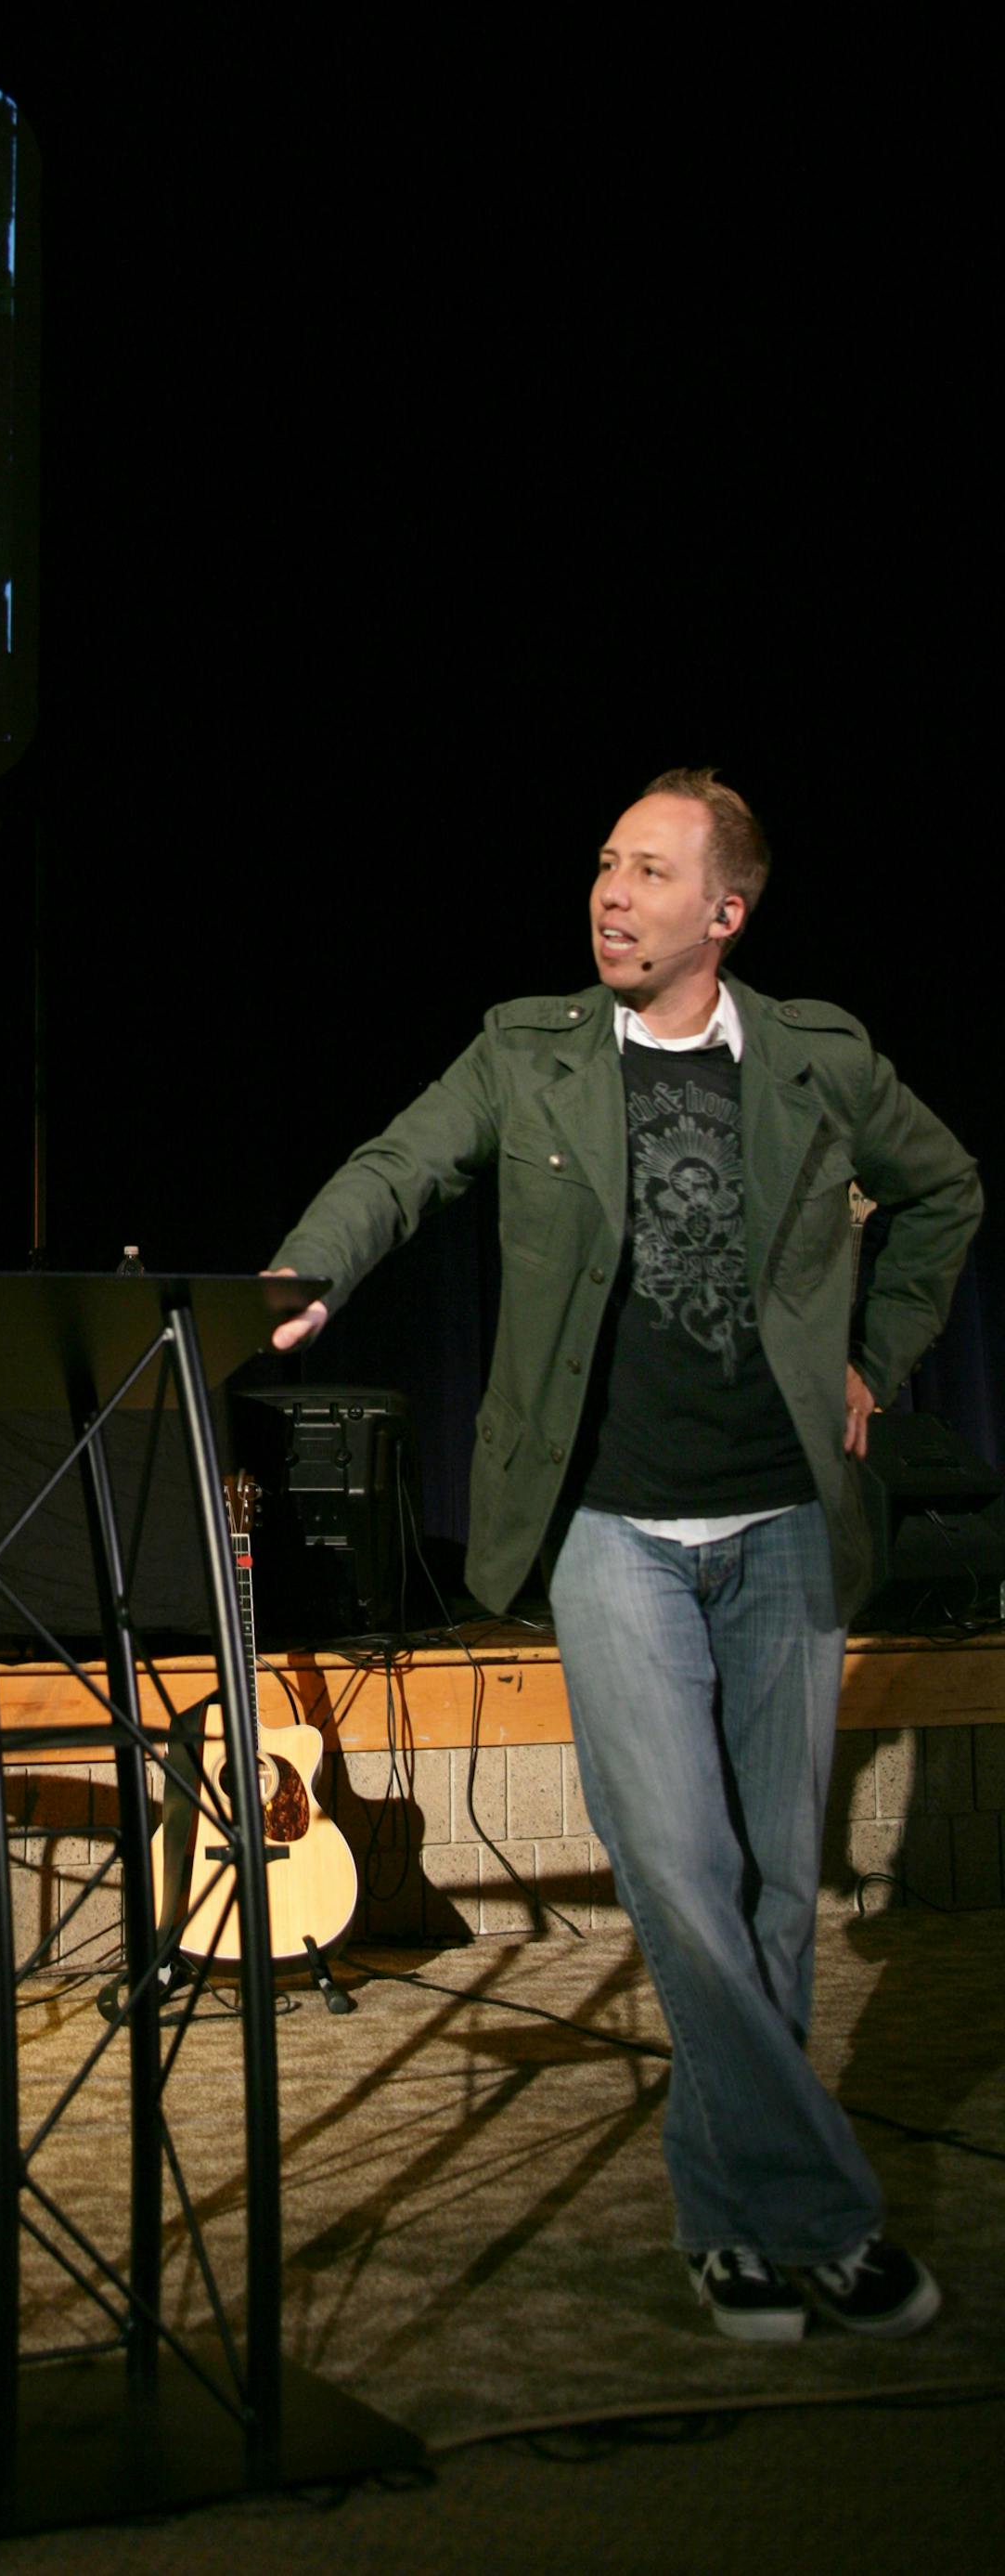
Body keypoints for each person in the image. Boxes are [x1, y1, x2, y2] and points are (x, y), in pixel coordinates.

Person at [268, 768, 980, 2342]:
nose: (610, 892)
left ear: (724, 911)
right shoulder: (528, 1053)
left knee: (780, 1891)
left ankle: (729, 2227)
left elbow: (946, 1193)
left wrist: (881, 1359)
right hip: (611, 1534)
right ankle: (824, 2219)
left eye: (650, 872)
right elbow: (402, 1163)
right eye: (603, 863)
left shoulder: (817, 1060)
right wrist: (314, 1264)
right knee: (680, 1872)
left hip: (786, 1525)